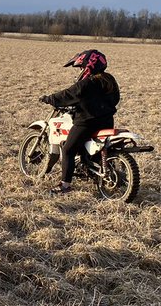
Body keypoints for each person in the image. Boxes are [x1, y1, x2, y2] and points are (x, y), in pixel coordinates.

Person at [40, 48, 120, 195]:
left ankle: (65, 185)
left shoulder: (87, 83)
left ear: (89, 65)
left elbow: (68, 94)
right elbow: (115, 100)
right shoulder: (109, 80)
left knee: (68, 149)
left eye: (82, 66)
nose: (81, 70)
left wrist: (49, 98)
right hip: (107, 121)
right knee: (94, 148)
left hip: (86, 122)